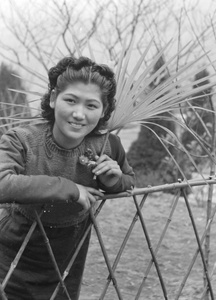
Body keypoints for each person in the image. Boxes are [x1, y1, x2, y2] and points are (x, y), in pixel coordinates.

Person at [0, 56, 135, 300]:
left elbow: (129, 180)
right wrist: (68, 187)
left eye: (91, 106)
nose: (79, 114)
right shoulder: (20, 140)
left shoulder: (108, 144)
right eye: (70, 100)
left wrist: (112, 181)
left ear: (104, 110)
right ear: (53, 99)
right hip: (13, 246)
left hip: (69, 250)